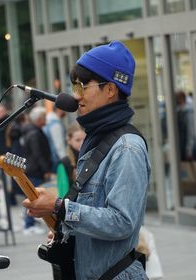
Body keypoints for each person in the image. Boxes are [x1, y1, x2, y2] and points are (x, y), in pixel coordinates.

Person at [23, 41, 151, 279]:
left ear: (111, 90)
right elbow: (94, 214)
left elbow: (122, 222)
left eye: (82, 87)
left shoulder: (126, 148)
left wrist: (60, 207)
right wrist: (68, 233)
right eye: (74, 87)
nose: (75, 96)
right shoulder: (96, 139)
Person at [22, 106, 52, 235]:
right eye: (44, 117)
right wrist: (45, 169)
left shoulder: (34, 131)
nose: (46, 120)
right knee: (33, 198)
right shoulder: (34, 133)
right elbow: (38, 153)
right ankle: (29, 224)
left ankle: (30, 222)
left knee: (33, 197)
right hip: (35, 170)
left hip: (34, 168)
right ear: (39, 119)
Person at [57, 121, 85, 198]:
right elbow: (63, 193)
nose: (82, 143)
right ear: (69, 141)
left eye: (84, 139)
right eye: (78, 140)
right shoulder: (64, 163)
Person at [44, 105, 67, 173]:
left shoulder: (49, 121)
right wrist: (65, 160)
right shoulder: (55, 124)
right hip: (56, 160)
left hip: (50, 158)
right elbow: (59, 144)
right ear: (59, 110)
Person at [175, 91, 196, 161]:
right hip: (181, 147)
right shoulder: (179, 112)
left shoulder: (188, 113)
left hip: (186, 148)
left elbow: (190, 132)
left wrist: (189, 150)